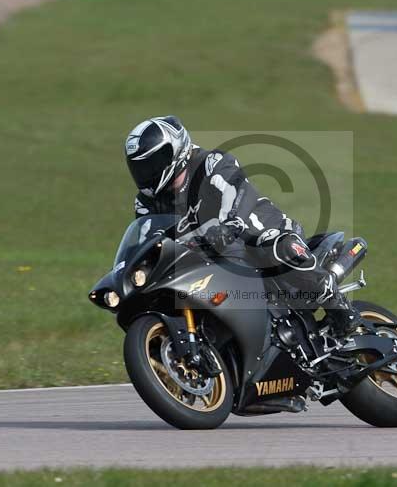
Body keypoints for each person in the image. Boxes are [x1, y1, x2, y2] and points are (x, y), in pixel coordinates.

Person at [125, 115, 364, 336]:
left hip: (258, 230)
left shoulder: (210, 163)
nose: (148, 173)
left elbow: (235, 190)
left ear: (175, 151)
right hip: (211, 257)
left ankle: (339, 308)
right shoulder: (147, 202)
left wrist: (228, 223)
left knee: (270, 245)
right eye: (141, 167)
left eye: (154, 163)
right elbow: (148, 237)